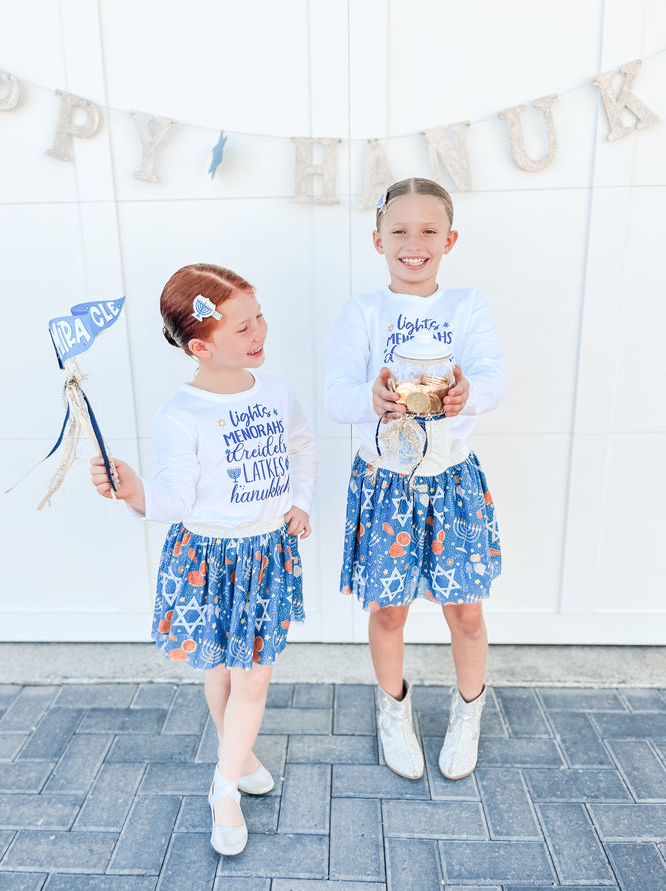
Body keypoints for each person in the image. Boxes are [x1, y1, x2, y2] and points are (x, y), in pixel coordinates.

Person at [91, 263, 317, 855]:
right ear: (201, 345)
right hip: (210, 557)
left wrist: (299, 501)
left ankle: (226, 778)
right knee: (222, 670)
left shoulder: (276, 390)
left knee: (254, 678)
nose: (260, 332)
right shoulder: (181, 415)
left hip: (265, 553)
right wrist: (135, 491)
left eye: (259, 316)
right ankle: (231, 772)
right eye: (243, 328)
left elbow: (301, 445)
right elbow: (174, 500)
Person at [325, 178, 504, 781]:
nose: (414, 242)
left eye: (429, 231)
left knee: (467, 613)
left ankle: (467, 713)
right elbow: (337, 395)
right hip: (385, 486)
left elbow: (492, 378)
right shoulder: (363, 311)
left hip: (451, 483)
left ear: (449, 240)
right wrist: (370, 400)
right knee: (390, 612)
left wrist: (467, 394)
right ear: (377, 240)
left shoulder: (466, 306)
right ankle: (393, 713)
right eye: (399, 230)